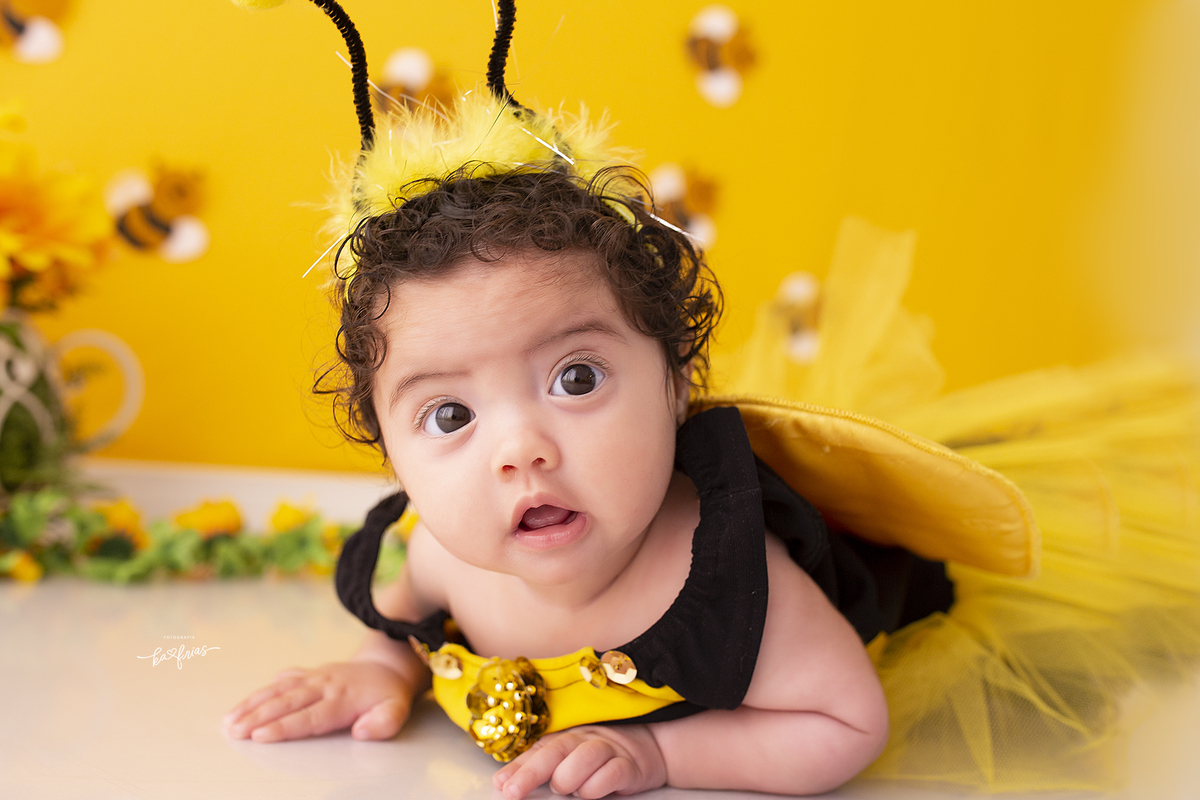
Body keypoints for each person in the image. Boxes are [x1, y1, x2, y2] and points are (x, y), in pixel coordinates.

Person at [223, 0, 1200, 796]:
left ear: (678, 378)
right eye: (449, 416)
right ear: (389, 451)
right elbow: (398, 619)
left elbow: (846, 720)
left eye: (576, 377)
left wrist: (662, 753)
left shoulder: (729, 577)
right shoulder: (437, 554)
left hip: (923, 595)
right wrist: (380, 669)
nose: (519, 448)